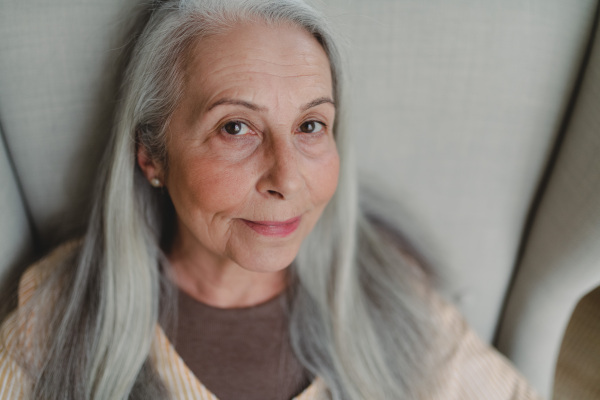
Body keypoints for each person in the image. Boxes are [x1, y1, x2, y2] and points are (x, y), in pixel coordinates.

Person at [0, 0, 542, 399]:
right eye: (236, 127)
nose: (288, 177)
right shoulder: (56, 316)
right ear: (152, 156)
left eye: (310, 124)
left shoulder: (387, 290)